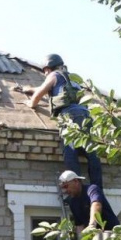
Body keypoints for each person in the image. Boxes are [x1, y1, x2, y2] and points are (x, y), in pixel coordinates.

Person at [19, 53, 103, 188]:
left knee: (70, 152)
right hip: (86, 116)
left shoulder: (54, 75)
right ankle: (97, 188)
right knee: (91, 153)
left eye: (45, 71)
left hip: (70, 116)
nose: (45, 74)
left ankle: (76, 189)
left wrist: (31, 103)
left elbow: (40, 94)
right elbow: (48, 89)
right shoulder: (73, 79)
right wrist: (30, 89)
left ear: (47, 68)